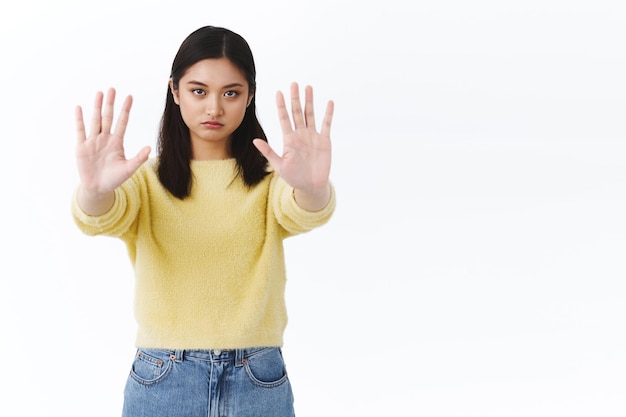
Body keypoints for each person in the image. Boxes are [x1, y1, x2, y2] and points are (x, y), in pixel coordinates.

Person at [71, 25, 335, 417]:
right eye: (199, 91)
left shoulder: (269, 179)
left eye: (231, 93)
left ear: (249, 98)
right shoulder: (145, 179)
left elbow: (303, 209)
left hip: (256, 377)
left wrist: (314, 187)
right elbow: (101, 216)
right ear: (175, 91)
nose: (214, 108)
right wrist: (93, 190)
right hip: (164, 378)